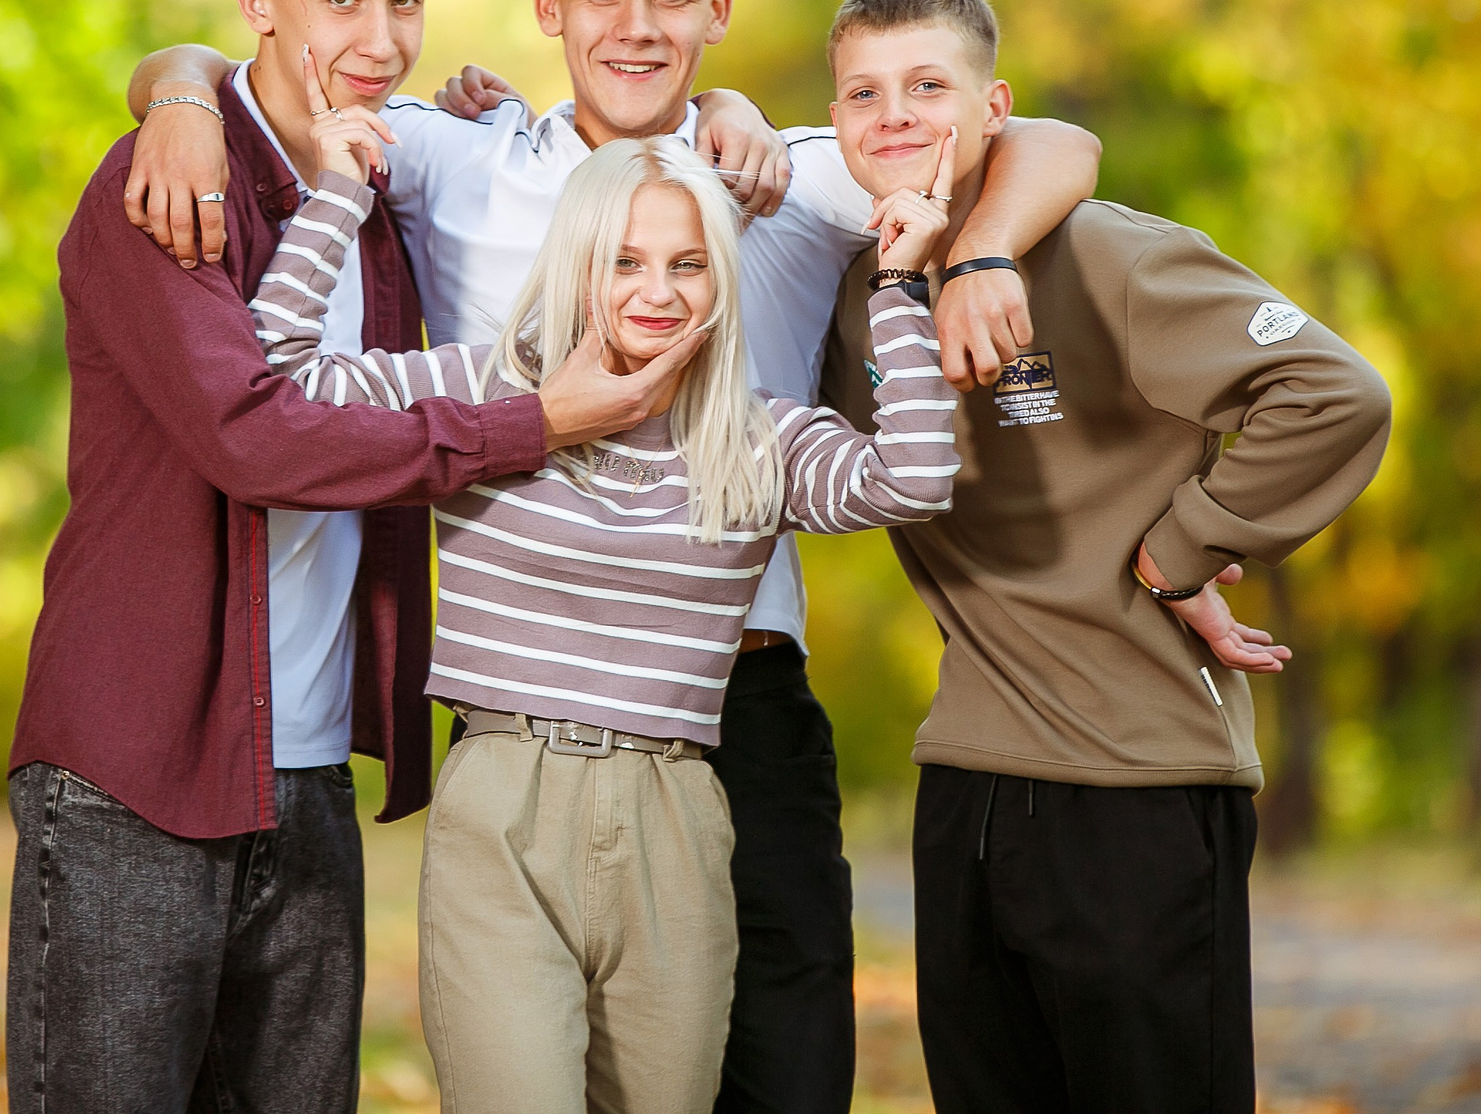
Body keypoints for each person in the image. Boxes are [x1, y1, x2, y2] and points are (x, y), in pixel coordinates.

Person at [124, 0, 1104, 1114]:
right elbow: (258, 71)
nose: (635, 27)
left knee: (778, 1069)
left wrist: (970, 258)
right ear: (549, 5)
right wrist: (180, 97)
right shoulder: (457, 157)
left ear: (717, 10)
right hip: (519, 695)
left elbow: (1047, 140)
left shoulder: (785, 174)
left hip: (727, 694)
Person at [4, 0, 686, 1114]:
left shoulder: (377, 189)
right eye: (342, 1)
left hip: (308, 769)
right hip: (137, 763)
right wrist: (533, 423)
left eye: (407, 1)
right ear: (258, 2)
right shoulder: (164, 190)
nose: (380, 41)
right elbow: (256, 436)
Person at [245, 69, 962, 1112]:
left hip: (673, 811)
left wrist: (901, 286)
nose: (655, 292)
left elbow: (914, 478)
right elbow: (279, 376)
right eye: (623, 261)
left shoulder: (755, 440)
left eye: (685, 265)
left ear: (718, 280)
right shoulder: (488, 393)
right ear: (577, 264)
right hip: (503, 803)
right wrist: (336, 193)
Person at [818, 0, 1395, 1114]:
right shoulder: (857, 294)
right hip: (967, 787)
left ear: (995, 108)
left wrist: (1184, 547)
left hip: (1137, 784)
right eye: (860, 93)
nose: (892, 117)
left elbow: (1337, 394)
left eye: (928, 84)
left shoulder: (1109, 256)